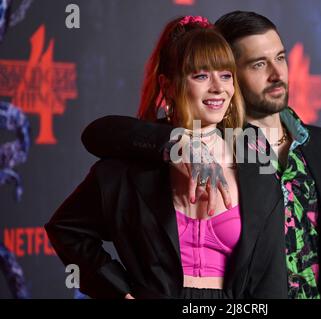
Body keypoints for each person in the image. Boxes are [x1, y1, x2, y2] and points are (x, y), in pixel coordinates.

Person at [81, 11, 321, 299]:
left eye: (281, 58)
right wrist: (176, 143)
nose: (276, 74)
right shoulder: (223, 145)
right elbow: (101, 133)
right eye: (258, 64)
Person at [45, 16, 288, 299]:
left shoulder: (253, 157)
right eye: (200, 75)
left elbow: (271, 276)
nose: (218, 88)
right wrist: (118, 292)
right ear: (168, 85)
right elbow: (66, 229)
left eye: (225, 75)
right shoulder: (129, 165)